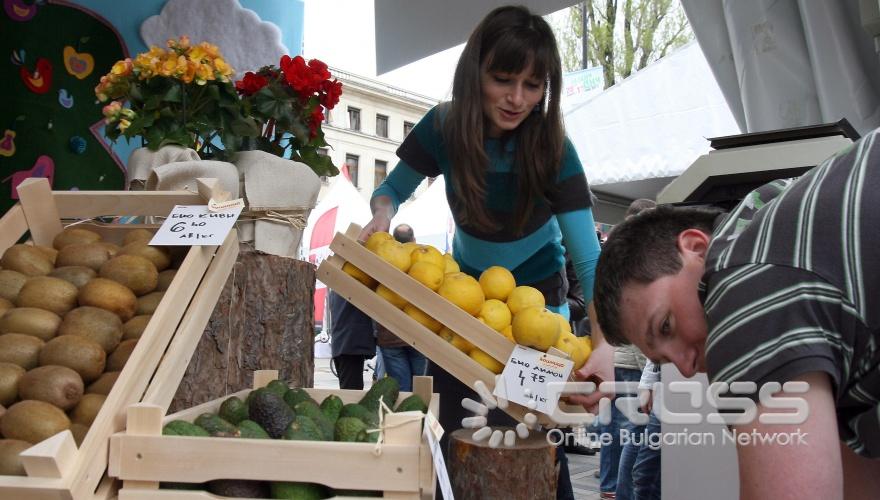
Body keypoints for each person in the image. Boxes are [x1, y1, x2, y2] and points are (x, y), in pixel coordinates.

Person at [358, 6, 613, 498]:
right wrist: (382, 213)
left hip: (541, 313)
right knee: (461, 438)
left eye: (533, 85)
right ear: (475, 72)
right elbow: (390, 189)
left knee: (538, 450)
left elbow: (588, 258)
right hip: (464, 310)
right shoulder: (443, 126)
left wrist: (602, 343)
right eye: (503, 80)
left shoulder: (555, 148)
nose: (517, 99)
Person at [593, 129, 880, 499]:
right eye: (664, 361)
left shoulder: (741, 279)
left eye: (666, 326)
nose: (685, 366)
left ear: (696, 247)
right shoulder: (782, 231)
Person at [595, 199, 655, 499]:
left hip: (614, 357)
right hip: (629, 359)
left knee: (613, 430)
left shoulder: (611, 255)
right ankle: (615, 490)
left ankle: (609, 488)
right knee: (627, 432)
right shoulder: (636, 260)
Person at [375, 224, 429, 392]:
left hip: (389, 335)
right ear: (413, 239)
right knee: (421, 391)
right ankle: (422, 418)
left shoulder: (382, 260)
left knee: (400, 390)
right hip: (418, 334)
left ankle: (402, 418)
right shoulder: (423, 262)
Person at [327, 290, 376, 390]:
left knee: (350, 389)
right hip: (350, 345)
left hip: (344, 344)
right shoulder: (351, 288)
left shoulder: (338, 288)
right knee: (351, 392)